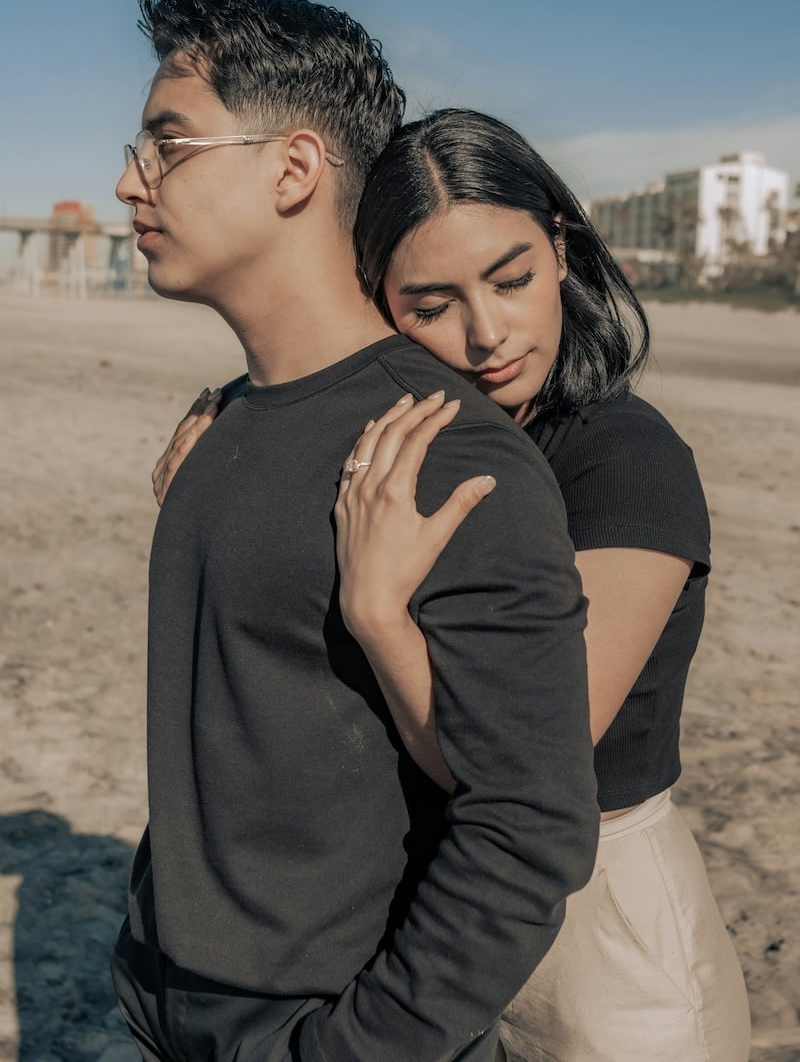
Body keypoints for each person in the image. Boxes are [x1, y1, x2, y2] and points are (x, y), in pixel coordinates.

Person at [158, 108, 751, 1061]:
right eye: (430, 306)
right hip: (431, 918)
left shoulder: (626, 463)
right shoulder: (414, 437)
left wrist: (380, 616)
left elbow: (521, 765)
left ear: (562, 249)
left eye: (512, 280)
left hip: (601, 937)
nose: (487, 334)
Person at [111, 0, 599, 1062]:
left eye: (168, 145)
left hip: (316, 1020)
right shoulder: (222, 426)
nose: (129, 179)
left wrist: (356, 1047)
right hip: (169, 1001)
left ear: (293, 169)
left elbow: (528, 827)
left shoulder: (443, 456)